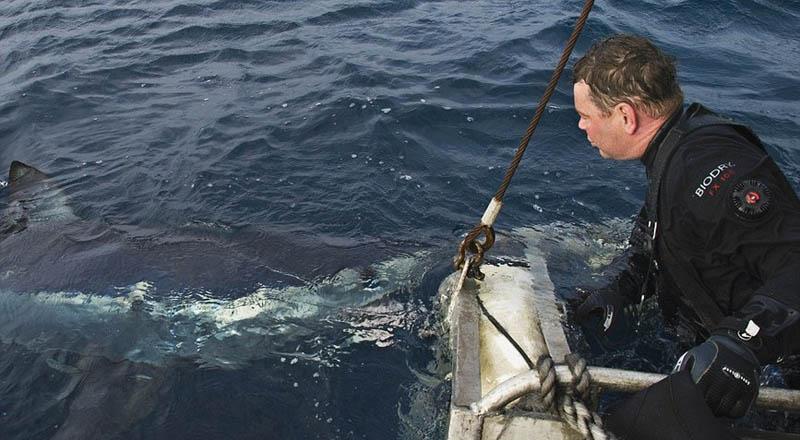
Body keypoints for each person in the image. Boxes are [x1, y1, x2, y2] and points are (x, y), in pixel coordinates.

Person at [570, 34, 800, 430]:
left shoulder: (707, 169)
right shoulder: (675, 155)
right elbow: (652, 238)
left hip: (776, 371)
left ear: (626, 116)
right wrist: (618, 288)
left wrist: (743, 340)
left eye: (587, 115)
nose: (581, 125)